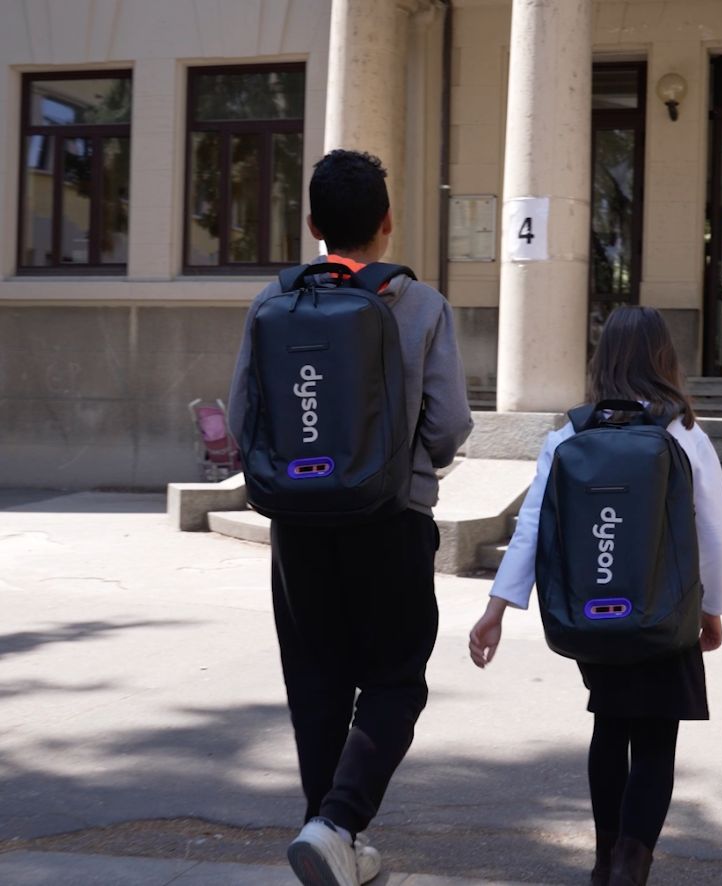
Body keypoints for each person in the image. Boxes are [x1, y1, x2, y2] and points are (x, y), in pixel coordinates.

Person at [227, 149, 474, 886]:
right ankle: (336, 825)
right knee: (396, 679)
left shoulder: (275, 300)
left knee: (316, 680)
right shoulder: (422, 304)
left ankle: (327, 835)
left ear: (311, 224)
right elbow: (450, 425)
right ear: (388, 223)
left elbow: (244, 417)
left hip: (298, 526)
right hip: (391, 516)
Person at [468, 305, 722, 886]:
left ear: (603, 358)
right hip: (665, 613)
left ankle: (603, 857)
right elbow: (715, 527)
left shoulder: (570, 433)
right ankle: (632, 865)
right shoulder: (684, 432)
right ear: (665, 358)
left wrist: (497, 610)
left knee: (611, 725)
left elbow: (534, 524)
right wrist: (712, 607)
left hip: (593, 614)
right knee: (657, 733)